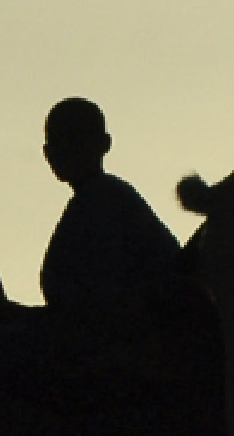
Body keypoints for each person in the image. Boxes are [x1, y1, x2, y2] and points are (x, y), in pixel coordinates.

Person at [36, 98, 181, 313]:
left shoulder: (105, 200)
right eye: (56, 143)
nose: (62, 151)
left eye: (74, 140)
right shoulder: (98, 199)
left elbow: (99, 302)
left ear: (104, 144)